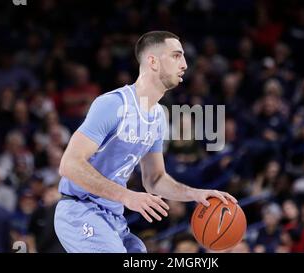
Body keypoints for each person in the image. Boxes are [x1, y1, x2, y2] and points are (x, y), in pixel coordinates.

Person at [54, 31, 237, 253]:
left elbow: (155, 179)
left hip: (113, 219)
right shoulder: (113, 105)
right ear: (153, 61)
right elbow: (69, 165)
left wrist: (195, 195)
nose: (185, 64)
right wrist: (127, 196)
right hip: (79, 209)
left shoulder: (159, 116)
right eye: (176, 56)